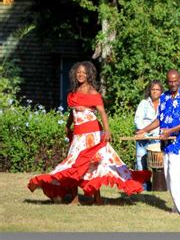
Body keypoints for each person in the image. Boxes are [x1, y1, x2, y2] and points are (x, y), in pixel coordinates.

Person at [28, 61, 151, 205]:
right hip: (78, 135)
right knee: (75, 165)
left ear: (89, 75)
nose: (81, 75)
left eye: (84, 73)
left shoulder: (93, 92)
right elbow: (73, 112)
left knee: (94, 165)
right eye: (78, 72)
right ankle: (74, 198)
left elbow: (102, 112)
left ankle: (97, 198)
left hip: (92, 134)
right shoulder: (73, 93)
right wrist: (68, 125)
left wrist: (107, 131)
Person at [136, 69, 180, 216]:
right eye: (170, 81)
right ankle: (178, 207)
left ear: (179, 80)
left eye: (175, 81)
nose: (173, 83)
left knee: (175, 176)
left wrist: (171, 131)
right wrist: (144, 130)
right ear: (167, 81)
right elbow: (159, 120)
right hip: (166, 142)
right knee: (169, 177)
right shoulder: (164, 97)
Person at [134, 80, 164, 190]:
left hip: (157, 137)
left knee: (158, 164)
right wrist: (144, 131)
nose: (155, 92)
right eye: (153, 89)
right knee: (141, 162)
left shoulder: (164, 104)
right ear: (149, 91)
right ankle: (145, 186)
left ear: (161, 91)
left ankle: (158, 186)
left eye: (157, 90)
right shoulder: (144, 103)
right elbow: (138, 119)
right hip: (143, 137)